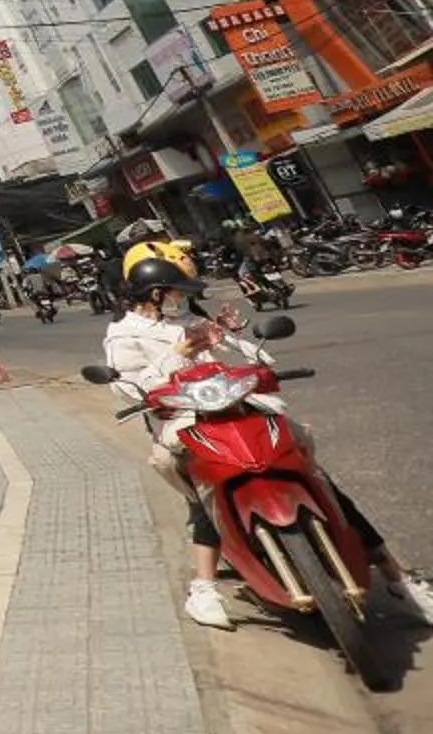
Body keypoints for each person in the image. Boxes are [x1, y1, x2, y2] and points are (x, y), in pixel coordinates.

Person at [103, 257, 433, 630]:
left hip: (239, 407)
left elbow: (262, 358)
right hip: (184, 419)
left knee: (317, 475)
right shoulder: (123, 334)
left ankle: (399, 579)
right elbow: (125, 387)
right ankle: (204, 588)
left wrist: (233, 335)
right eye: (178, 292)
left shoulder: (190, 322)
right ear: (157, 294)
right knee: (201, 489)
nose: (182, 299)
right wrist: (177, 355)